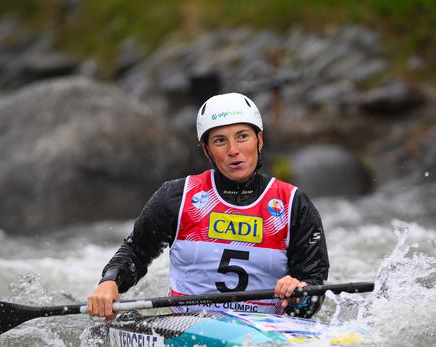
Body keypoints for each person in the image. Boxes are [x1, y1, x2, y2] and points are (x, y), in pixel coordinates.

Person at [87, 93, 329, 320]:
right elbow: (135, 252)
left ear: (259, 140)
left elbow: (312, 289)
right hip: (189, 327)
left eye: (242, 136)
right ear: (207, 150)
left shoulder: (293, 204)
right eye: (220, 140)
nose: (233, 150)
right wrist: (110, 282)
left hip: (266, 332)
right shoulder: (177, 197)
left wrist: (299, 292)